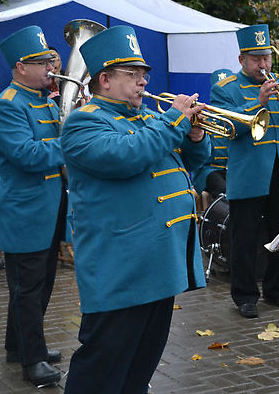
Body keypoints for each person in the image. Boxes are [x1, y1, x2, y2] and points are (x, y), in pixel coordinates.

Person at [59, 25, 209, 393]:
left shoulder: (144, 118)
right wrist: (174, 121)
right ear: (105, 80)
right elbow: (127, 156)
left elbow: (189, 164)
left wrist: (194, 136)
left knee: (139, 367)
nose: (143, 81)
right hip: (121, 268)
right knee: (102, 370)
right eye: (133, 74)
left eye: (144, 74)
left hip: (159, 263)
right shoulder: (83, 122)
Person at [210, 25, 279, 319]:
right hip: (250, 175)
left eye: (266, 58)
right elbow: (227, 129)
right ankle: (245, 295)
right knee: (245, 238)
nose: (263, 65)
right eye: (256, 60)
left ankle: (277, 290)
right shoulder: (225, 89)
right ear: (242, 60)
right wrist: (258, 102)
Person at [0, 25, 67, 387]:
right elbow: (27, 155)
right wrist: (72, 142)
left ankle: (18, 346)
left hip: (50, 207)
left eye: (49, 61)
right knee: (27, 287)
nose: (50, 67)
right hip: (25, 209)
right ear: (20, 66)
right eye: (42, 63)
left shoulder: (44, 100)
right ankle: (31, 360)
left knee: (40, 283)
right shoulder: (7, 105)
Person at [192, 68, 232, 207]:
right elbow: (200, 157)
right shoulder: (205, 118)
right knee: (224, 190)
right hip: (210, 171)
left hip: (235, 170)